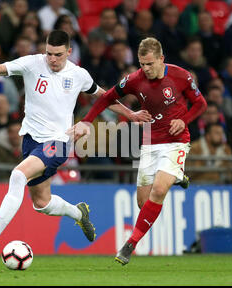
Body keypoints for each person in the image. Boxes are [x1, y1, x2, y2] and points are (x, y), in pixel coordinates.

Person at [0, 30, 151, 253]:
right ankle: (79, 213)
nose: (52, 59)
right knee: (41, 203)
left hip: (59, 141)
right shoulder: (32, 63)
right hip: (31, 141)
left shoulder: (79, 74)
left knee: (17, 175)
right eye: (49, 54)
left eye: (58, 55)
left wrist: (130, 114)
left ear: (69, 52)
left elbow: (104, 97)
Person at [68, 37, 207, 265]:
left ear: (161, 59)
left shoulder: (181, 76)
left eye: (150, 64)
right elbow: (106, 98)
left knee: (159, 191)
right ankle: (177, 176)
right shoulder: (134, 80)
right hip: (150, 143)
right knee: (144, 203)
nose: (146, 69)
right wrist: (86, 121)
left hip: (176, 141)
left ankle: (130, 244)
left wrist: (184, 120)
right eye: (142, 64)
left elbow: (201, 104)